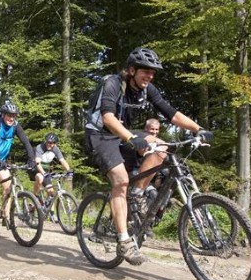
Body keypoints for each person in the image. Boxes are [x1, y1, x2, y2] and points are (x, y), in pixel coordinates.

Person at [84, 47, 212, 265]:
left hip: (123, 132)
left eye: (153, 73)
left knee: (162, 146)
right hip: (100, 135)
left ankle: (137, 192)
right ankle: (124, 241)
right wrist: (131, 139)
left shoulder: (147, 89)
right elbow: (107, 117)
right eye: (146, 71)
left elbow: (172, 113)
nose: (150, 76)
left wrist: (198, 129)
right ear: (132, 70)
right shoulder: (113, 84)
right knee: (120, 180)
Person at [33, 133, 72, 202]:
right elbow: (37, 162)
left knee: (51, 192)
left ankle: (50, 211)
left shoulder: (55, 149)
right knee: (40, 178)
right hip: (34, 167)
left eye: (51, 143)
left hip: (45, 170)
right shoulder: (40, 147)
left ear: (55, 143)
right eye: (48, 142)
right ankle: (33, 197)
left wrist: (69, 170)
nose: (49, 144)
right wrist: (44, 173)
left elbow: (62, 161)